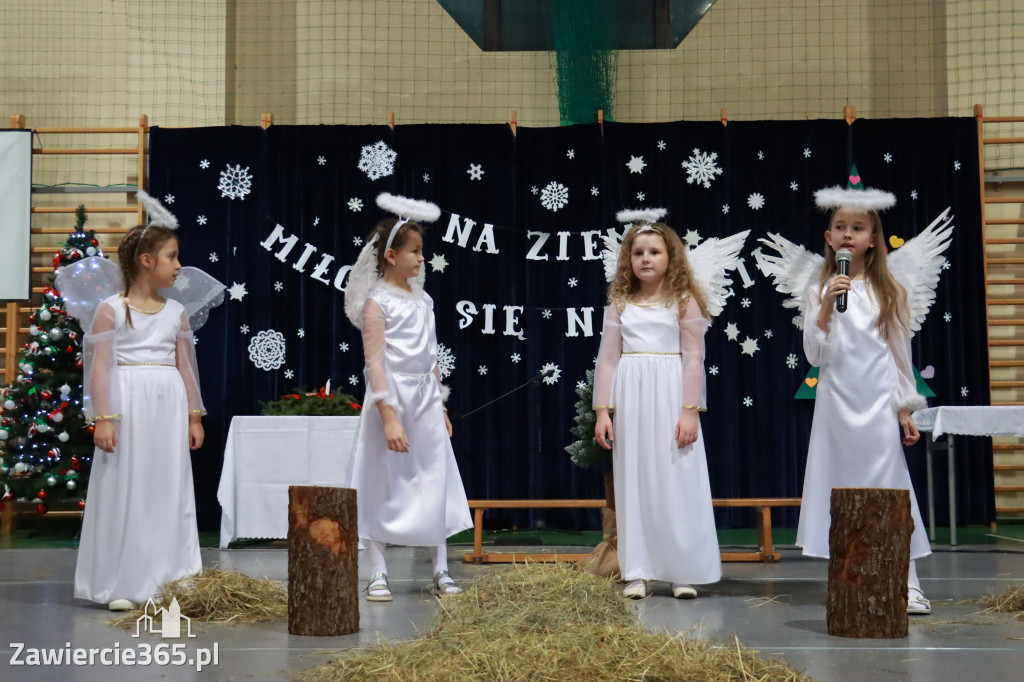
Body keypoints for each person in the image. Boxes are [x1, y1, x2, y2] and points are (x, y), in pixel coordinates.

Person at [761, 170, 954, 615]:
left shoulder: (891, 292)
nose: (849, 234)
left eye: (859, 228)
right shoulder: (819, 290)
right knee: (840, 488)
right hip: (836, 405)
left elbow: (899, 357)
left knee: (889, 486)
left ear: (872, 239)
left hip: (877, 405)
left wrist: (906, 409)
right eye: (841, 228)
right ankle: (848, 579)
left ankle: (909, 581)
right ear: (829, 238)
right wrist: (827, 306)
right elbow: (815, 354)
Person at [68, 193, 218, 611]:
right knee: (127, 487)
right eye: (172, 257)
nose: (178, 265)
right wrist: (104, 419)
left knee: (166, 487)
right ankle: (123, 581)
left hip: (166, 409)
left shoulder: (176, 313)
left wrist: (194, 416)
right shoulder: (110, 310)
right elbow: (100, 370)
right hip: (126, 407)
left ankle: (174, 579)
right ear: (147, 262)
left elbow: (186, 368)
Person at [594, 210, 747, 599]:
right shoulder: (620, 303)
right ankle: (638, 571)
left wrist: (689, 410)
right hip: (632, 397)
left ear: (670, 258)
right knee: (636, 481)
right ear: (628, 259)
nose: (646, 259)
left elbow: (694, 358)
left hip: (670, 394)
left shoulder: (683, 301)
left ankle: (682, 570)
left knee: (677, 479)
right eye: (638, 252)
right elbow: (607, 358)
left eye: (655, 252)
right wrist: (602, 411)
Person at [344, 193, 472, 602]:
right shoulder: (376, 303)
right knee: (385, 481)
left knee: (433, 477)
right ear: (391, 255)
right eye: (415, 252)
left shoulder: (425, 300)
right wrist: (389, 416)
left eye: (422, 252)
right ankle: (378, 571)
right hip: (392, 400)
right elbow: (375, 364)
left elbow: (432, 356)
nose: (421, 260)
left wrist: (441, 403)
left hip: (425, 400)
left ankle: (441, 567)